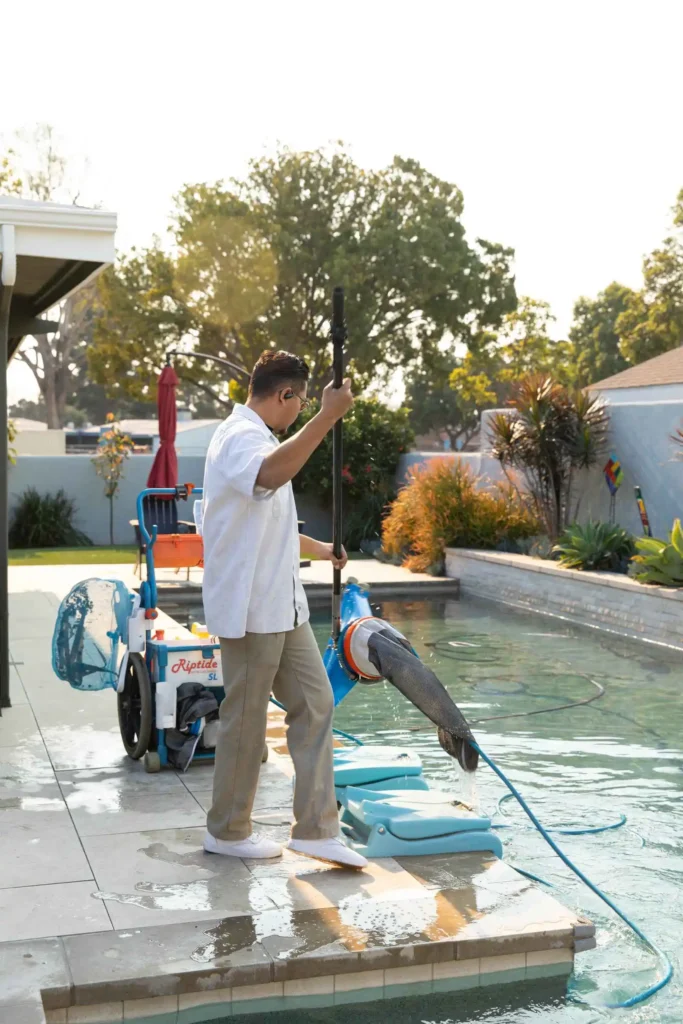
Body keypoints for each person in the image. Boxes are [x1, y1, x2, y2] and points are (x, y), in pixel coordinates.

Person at [200, 350, 368, 869]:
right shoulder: (240, 438)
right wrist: (327, 416)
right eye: (299, 403)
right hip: (252, 610)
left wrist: (320, 549)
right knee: (246, 721)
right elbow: (268, 476)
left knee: (316, 705)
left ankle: (316, 830)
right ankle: (227, 832)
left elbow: (267, 526)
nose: (298, 411)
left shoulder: (260, 437)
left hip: (283, 605)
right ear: (285, 395)